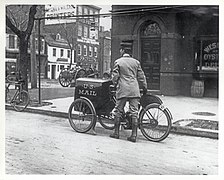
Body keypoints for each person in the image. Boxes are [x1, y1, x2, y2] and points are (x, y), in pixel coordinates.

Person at [110, 47, 147, 142]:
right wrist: (144, 86)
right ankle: (134, 135)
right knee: (134, 112)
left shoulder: (118, 62)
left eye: (120, 50)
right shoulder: (136, 62)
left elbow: (115, 76)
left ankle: (116, 133)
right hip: (134, 89)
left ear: (122, 51)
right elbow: (141, 76)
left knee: (118, 111)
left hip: (123, 89)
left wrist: (114, 84)